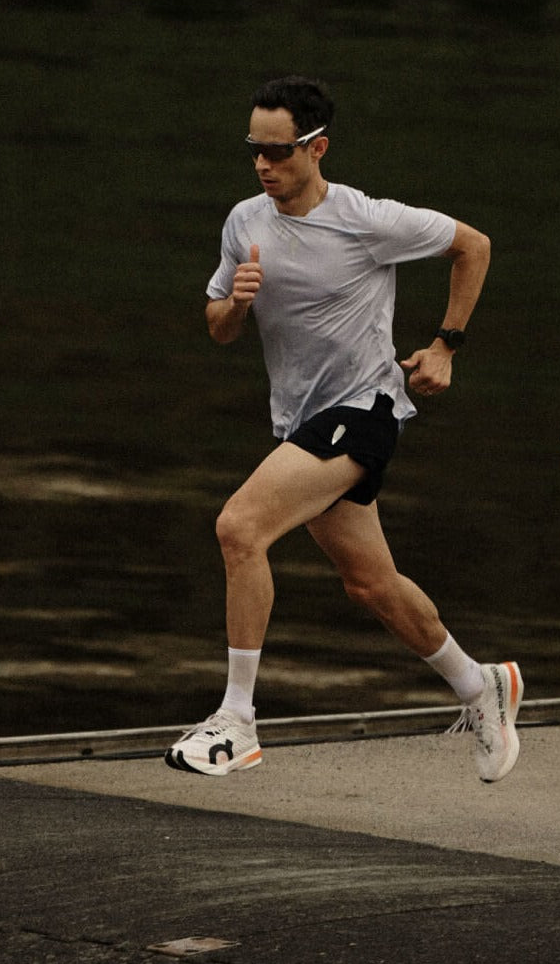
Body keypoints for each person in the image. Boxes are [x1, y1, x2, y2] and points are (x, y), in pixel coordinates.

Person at [166, 75, 522, 783]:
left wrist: (446, 344)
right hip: (301, 421)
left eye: (279, 151)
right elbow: (217, 329)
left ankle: (237, 721)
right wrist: (236, 305)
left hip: (365, 411)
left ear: (317, 147)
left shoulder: (366, 219)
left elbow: (472, 245)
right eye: (255, 151)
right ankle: (479, 685)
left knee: (239, 528)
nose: (265, 165)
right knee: (372, 584)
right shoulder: (245, 222)